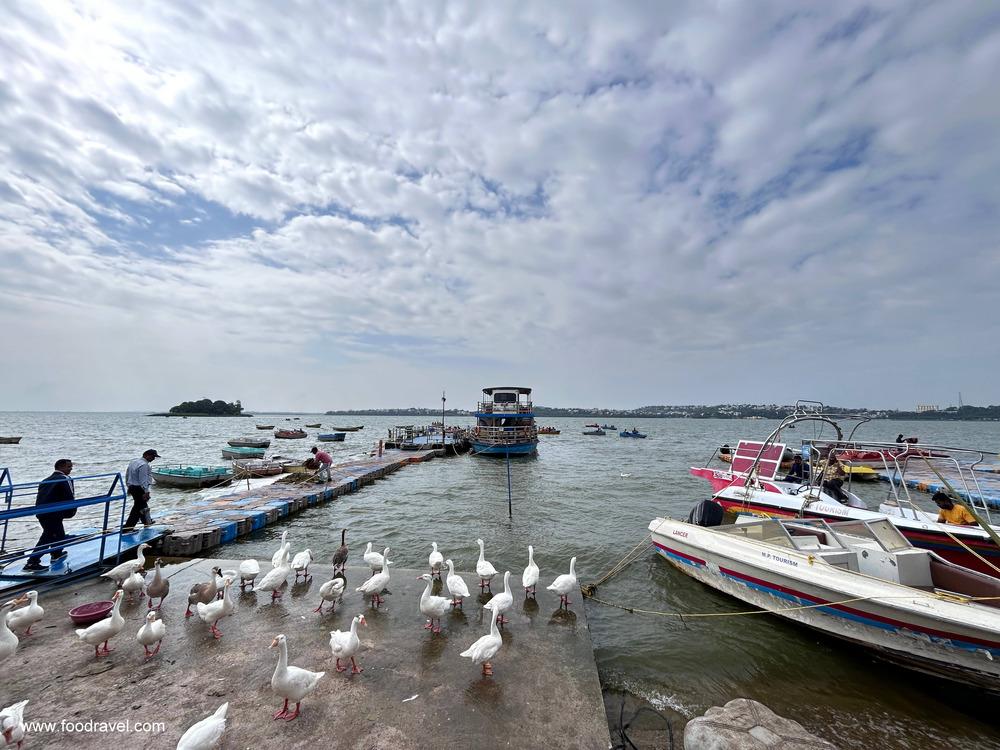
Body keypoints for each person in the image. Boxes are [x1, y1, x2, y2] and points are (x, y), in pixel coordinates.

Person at [24, 459, 76, 571]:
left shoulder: (45, 480)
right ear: (61, 467)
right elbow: (70, 495)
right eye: (69, 467)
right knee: (48, 536)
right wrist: (72, 511)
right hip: (54, 512)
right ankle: (32, 562)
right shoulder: (65, 479)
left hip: (42, 511)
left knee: (59, 534)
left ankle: (56, 553)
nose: (71, 469)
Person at [124, 449, 161, 531]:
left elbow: (127, 475)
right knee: (137, 508)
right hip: (139, 488)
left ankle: (147, 521)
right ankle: (128, 527)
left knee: (141, 505)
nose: (153, 459)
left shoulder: (133, 462)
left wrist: (128, 486)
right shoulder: (144, 465)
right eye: (153, 456)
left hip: (132, 486)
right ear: (146, 455)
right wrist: (146, 492)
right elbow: (143, 480)